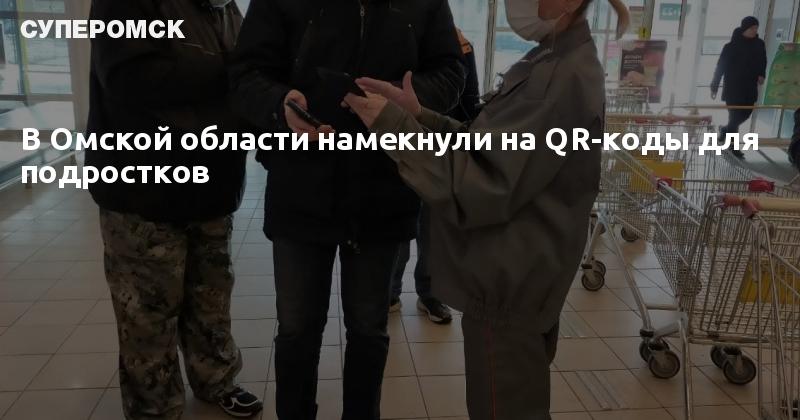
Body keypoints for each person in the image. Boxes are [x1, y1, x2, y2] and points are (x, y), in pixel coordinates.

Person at [344, 0, 629, 418]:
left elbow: (478, 185)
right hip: (515, 277)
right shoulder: (552, 60)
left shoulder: (559, 79)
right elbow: (489, 149)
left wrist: (393, 126)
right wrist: (418, 115)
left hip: (511, 287)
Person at [228, 1, 465, 418]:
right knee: (297, 329)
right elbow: (246, 74)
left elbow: (450, 72)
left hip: (384, 188)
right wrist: (280, 103)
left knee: (369, 328)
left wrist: (410, 102)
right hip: (300, 185)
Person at [86, 0, 263, 418]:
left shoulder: (222, 6)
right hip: (142, 189)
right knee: (147, 311)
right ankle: (154, 407)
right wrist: (233, 72)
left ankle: (216, 378)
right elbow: (131, 78)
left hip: (213, 185)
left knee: (211, 295)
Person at [389, 28, 480, 324]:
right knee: (399, 222)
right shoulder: (397, 34)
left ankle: (430, 293)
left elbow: (470, 98)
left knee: (433, 226)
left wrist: (467, 143)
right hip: (399, 141)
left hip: (441, 145)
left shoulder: (459, 43)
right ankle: (389, 292)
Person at [711, 16, 768, 159]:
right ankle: (733, 146)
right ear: (744, 28)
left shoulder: (759, 44)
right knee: (735, 116)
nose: (755, 31)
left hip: (749, 87)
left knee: (746, 114)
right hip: (733, 87)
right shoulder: (731, 46)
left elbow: (763, 61)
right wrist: (714, 85)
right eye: (752, 28)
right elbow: (720, 67)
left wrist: (762, 74)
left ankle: (725, 130)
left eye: (756, 28)